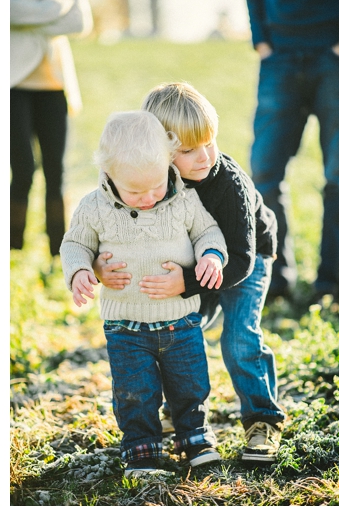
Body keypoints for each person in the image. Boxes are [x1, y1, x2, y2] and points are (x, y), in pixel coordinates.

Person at [93, 83, 287, 463]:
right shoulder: (151, 181)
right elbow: (116, 229)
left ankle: (262, 417)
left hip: (243, 258)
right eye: (187, 150)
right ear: (159, 151)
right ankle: (181, 414)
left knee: (238, 337)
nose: (205, 156)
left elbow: (241, 259)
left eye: (210, 142)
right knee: (179, 333)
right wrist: (98, 264)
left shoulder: (230, 185)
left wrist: (186, 282)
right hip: (195, 265)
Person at [60, 111, 227, 477]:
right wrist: (81, 271)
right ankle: (141, 448)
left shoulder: (184, 200)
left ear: (168, 164)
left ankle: (193, 435)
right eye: (135, 192)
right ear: (109, 175)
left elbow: (208, 232)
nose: (149, 198)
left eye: (156, 187)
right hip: (125, 326)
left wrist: (211, 256)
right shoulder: (94, 207)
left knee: (191, 383)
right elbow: (75, 244)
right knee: (134, 392)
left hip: (180, 319)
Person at [245, 0, 339, 303]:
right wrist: (261, 40)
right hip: (279, 54)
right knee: (264, 174)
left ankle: (329, 285)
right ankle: (276, 281)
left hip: (337, 57)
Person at [10, 0, 93, 258]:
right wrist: (55, 10)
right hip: (13, 86)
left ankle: (60, 252)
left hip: (56, 87)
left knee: (56, 173)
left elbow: (80, 22)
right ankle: (13, 249)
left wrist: (23, 18)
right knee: (22, 170)